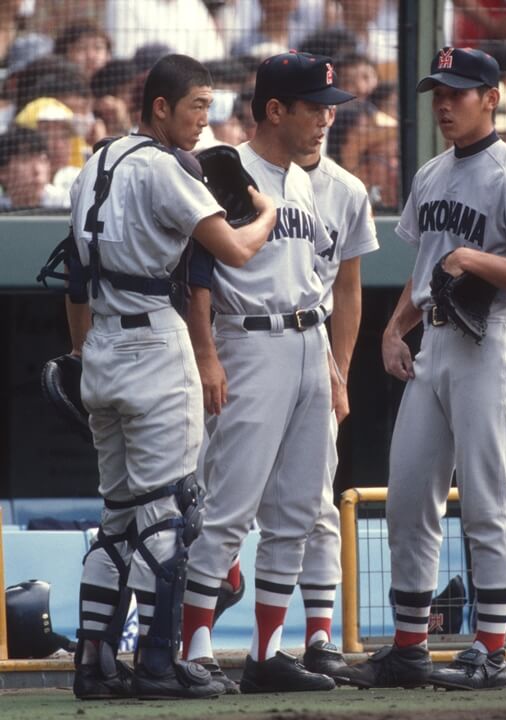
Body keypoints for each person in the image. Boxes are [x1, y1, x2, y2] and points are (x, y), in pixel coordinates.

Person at [349, 46, 506, 691]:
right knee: (409, 496)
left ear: (491, 98)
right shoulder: (433, 174)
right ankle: (411, 647)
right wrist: (392, 330)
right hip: (436, 341)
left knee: (484, 497)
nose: (444, 104)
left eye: (459, 92)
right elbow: (426, 271)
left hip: (492, 337)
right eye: (438, 92)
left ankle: (490, 650)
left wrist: (474, 258)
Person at [64, 52, 276, 700]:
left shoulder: (94, 161)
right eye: (195, 108)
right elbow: (237, 249)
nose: (202, 122)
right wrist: (267, 208)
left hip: (100, 339)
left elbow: (73, 279)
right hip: (154, 340)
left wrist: (82, 359)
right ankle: (159, 664)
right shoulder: (160, 167)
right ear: (160, 107)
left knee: (118, 517)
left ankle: (94, 664)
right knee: (171, 515)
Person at [185, 102, 379, 689]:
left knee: (298, 509)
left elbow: (338, 285)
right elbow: (195, 271)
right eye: (314, 109)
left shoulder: (310, 181)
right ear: (275, 111)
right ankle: (193, 647)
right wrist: (207, 354)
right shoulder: (222, 167)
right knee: (229, 505)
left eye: (329, 109)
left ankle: (267, 655)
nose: (326, 119)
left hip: (308, 339)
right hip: (248, 338)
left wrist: (336, 366)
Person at [0, 125, 68, 210]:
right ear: (3, 172)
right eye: (25, 159)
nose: (37, 170)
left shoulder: (65, 204)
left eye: (43, 160)